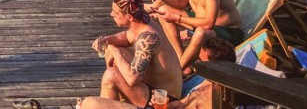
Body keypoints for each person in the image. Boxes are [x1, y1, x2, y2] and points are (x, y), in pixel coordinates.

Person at [78, 37, 235, 109]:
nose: (197, 65)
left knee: (91, 104)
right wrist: (164, 103)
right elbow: (181, 104)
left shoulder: (219, 95)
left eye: (202, 63)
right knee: (95, 98)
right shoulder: (203, 84)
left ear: (218, 67)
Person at [90, 0, 182, 103]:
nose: (111, 14)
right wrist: (106, 40)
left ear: (129, 17)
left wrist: (115, 51)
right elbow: (126, 37)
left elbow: (132, 79)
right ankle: (115, 101)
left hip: (163, 98)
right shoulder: (143, 23)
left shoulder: (148, 37)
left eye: (115, 13)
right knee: (115, 50)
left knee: (111, 75)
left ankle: (107, 104)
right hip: (151, 87)